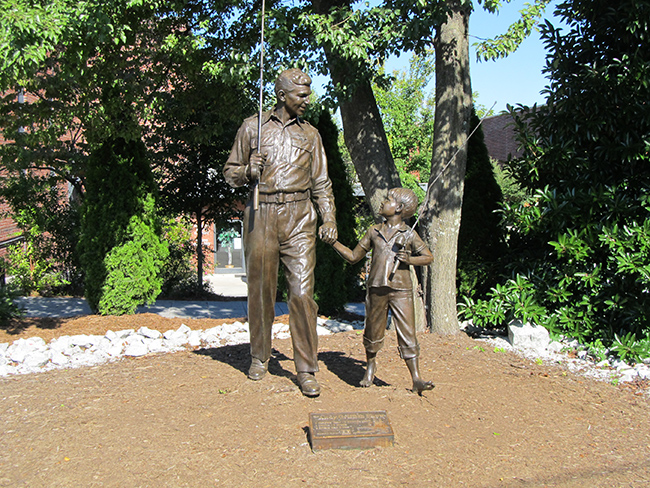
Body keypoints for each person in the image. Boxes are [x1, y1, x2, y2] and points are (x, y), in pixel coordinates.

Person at [223, 68, 338, 397]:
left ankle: (306, 368)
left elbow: (322, 182)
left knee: (302, 294)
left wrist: (328, 218)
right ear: (282, 95)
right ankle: (260, 356)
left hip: (300, 216)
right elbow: (230, 173)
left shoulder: (311, 135)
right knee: (260, 290)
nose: (307, 100)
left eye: (308, 93)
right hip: (262, 213)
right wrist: (248, 170)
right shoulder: (252, 127)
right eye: (301, 95)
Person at [330, 187, 435, 394]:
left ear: (400, 208)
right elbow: (353, 256)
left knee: (407, 332)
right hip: (377, 288)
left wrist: (410, 259)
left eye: (387, 199)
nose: (382, 202)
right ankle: (370, 367)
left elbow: (428, 257)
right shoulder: (373, 232)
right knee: (373, 329)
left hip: (401, 289)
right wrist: (333, 242)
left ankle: (416, 378)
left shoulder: (409, 234)